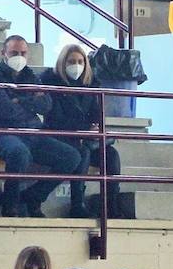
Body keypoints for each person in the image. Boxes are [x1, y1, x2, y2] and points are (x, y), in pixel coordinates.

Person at [0, 36, 84, 218]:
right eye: (14, 53)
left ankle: (32, 197)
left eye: (23, 53)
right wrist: (31, 101)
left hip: (31, 133)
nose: (19, 56)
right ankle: (10, 205)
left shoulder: (31, 76)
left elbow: (46, 104)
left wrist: (20, 100)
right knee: (19, 152)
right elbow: (6, 111)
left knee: (72, 157)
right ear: (3, 53)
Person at [41, 43, 124, 220]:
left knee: (111, 155)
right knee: (83, 151)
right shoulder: (51, 82)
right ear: (63, 63)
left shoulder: (91, 85)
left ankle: (110, 205)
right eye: (71, 61)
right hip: (60, 136)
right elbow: (54, 117)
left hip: (85, 136)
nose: (76, 65)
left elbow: (96, 114)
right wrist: (83, 129)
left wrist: (95, 126)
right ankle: (77, 204)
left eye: (80, 61)